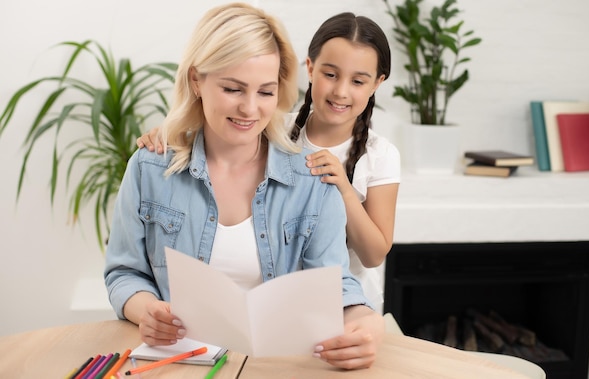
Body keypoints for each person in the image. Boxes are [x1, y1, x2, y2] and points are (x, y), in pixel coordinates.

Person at [105, 2, 383, 370]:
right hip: (178, 365)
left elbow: (335, 287)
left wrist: (365, 324)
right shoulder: (150, 166)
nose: (250, 109)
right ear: (196, 80)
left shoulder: (313, 180)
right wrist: (147, 311)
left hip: (277, 367)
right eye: (233, 89)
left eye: (265, 92)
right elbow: (124, 272)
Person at [137, 12, 401, 313]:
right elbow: (224, 136)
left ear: (378, 83)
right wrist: (173, 134)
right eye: (330, 74)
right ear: (310, 69)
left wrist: (342, 186)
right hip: (281, 299)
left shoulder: (381, 155)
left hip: (343, 303)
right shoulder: (273, 130)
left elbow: (374, 255)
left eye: (357, 81)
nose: (341, 91)